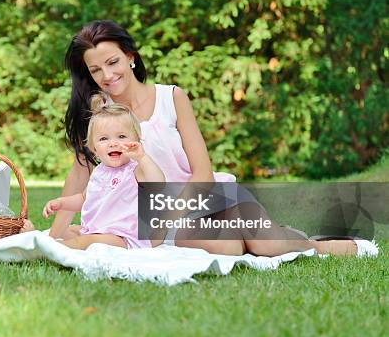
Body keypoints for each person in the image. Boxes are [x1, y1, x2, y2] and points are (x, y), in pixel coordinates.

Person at [24, 19, 365, 257]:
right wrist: (54, 237)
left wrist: (175, 214)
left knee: (267, 245)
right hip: (155, 218)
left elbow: (202, 170)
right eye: (95, 70)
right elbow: (80, 172)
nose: (107, 75)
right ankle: (258, 233)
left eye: (113, 62)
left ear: (130, 56)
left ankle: (314, 245)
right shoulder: (100, 115)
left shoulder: (172, 97)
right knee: (229, 247)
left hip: (204, 199)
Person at [37, 92, 165, 250]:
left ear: (135, 141)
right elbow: (84, 198)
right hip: (100, 231)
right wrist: (62, 203)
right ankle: (58, 242)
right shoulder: (99, 172)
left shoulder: (135, 170)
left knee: (87, 242)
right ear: (94, 149)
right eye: (104, 139)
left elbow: (158, 183)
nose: (113, 143)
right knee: (70, 231)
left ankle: (52, 250)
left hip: (126, 236)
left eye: (121, 136)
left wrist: (143, 157)